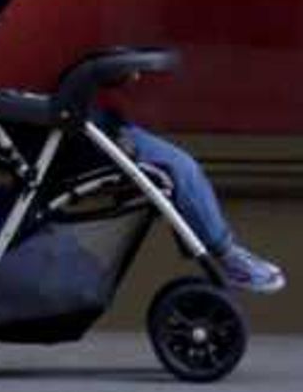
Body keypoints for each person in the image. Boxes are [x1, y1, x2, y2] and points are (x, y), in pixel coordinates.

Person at [104, 113, 284, 293]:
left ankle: (227, 254)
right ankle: (227, 256)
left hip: (100, 126)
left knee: (177, 167)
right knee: (179, 167)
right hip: (96, 134)